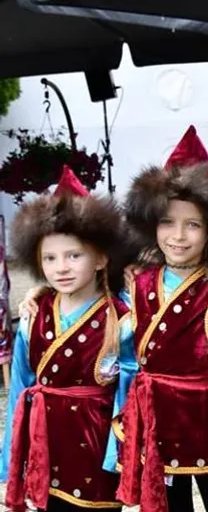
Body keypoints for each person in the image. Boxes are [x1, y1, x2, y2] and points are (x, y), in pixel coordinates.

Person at [113, 128, 208, 512]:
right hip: (156, 421)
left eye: (192, 224)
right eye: (167, 222)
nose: (178, 236)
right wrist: (39, 295)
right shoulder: (138, 284)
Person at [1, 166, 131, 512]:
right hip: (45, 445)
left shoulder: (122, 320)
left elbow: (128, 397)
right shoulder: (32, 317)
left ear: (101, 258)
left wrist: (118, 456)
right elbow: (20, 389)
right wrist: (11, 459)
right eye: (50, 258)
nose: (61, 267)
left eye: (74, 255)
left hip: (96, 450)